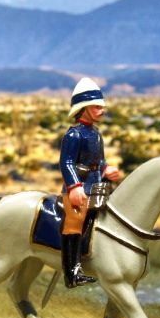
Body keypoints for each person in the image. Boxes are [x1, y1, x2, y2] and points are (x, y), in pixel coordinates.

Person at [59, 77, 120, 288]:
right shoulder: (74, 135)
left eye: (102, 106)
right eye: (97, 106)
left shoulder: (95, 134)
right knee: (75, 222)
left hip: (96, 185)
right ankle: (72, 272)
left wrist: (106, 169)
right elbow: (66, 162)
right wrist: (74, 187)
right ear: (84, 108)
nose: (101, 110)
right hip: (79, 187)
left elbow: (99, 160)